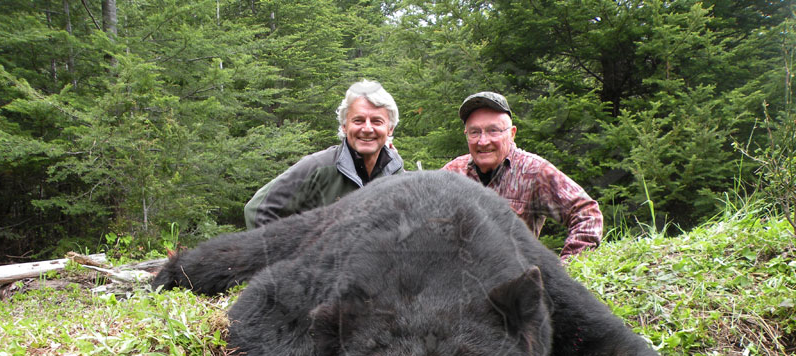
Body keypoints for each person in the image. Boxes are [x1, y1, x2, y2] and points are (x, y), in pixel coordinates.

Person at [442, 92, 603, 259]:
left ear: (512, 134)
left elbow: (587, 213)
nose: (483, 141)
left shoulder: (534, 171)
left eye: (493, 131)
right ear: (466, 135)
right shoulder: (452, 174)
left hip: (516, 280)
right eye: (474, 132)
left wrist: (569, 266)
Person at [244, 80, 403, 228]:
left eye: (376, 121)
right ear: (344, 126)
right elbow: (257, 210)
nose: (367, 129)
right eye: (358, 121)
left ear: (390, 129)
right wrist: (292, 255)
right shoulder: (318, 168)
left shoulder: (396, 173)